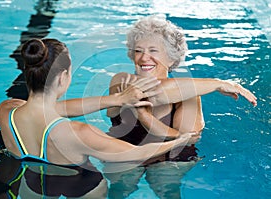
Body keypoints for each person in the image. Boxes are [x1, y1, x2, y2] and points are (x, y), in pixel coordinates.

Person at [0, 38, 193, 198]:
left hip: (32, 187)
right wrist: (182, 139)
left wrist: (116, 99)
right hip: (82, 188)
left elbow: (53, 109)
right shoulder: (77, 133)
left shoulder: (7, 111)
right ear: (63, 76)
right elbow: (136, 154)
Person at [104, 15, 257, 198]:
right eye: (138, 51)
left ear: (170, 59)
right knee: (120, 188)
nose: (144, 58)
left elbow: (189, 139)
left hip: (171, 157)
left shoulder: (191, 95)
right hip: (127, 149)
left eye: (154, 50)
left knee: (165, 185)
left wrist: (144, 116)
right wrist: (217, 83)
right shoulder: (121, 80)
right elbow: (155, 93)